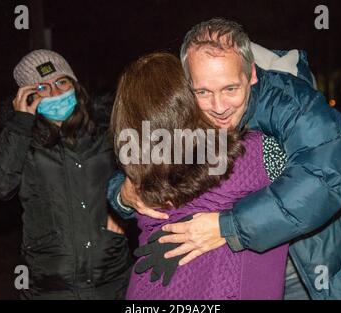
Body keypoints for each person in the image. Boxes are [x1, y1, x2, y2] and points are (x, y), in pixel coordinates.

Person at [108, 19, 341, 300]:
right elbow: (151, 150)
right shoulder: (190, 115)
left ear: (251, 74)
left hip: (307, 267)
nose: (218, 107)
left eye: (230, 89)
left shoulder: (291, 104)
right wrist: (122, 192)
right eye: (202, 92)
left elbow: (326, 175)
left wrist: (227, 226)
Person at [111, 52, 290, 299]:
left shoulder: (138, 176)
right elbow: (321, 178)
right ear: (187, 100)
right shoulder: (255, 153)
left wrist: (120, 193)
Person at [0, 50, 132, 299]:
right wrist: (20, 122)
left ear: (74, 84)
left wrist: (123, 213)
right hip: (51, 286)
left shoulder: (107, 130)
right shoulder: (22, 140)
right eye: (43, 86)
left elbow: (142, 179)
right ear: (28, 95)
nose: (56, 93)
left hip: (111, 280)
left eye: (61, 82)